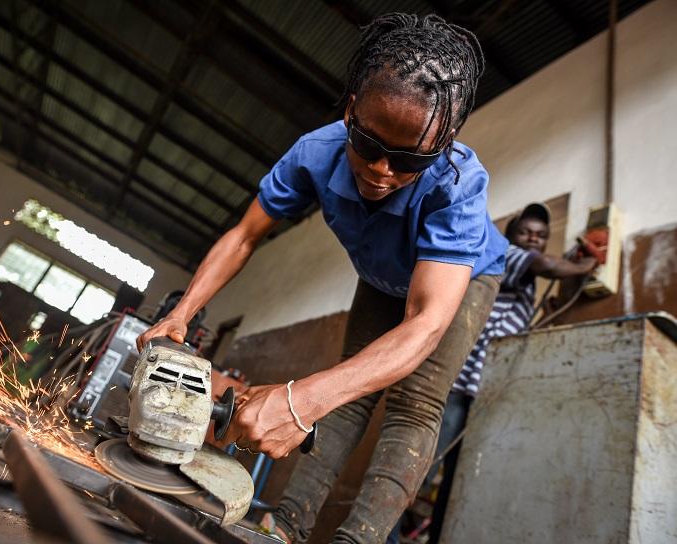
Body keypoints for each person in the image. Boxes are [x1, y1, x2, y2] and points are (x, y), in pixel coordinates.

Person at [138, 14, 507, 543]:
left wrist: (298, 401)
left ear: (444, 141)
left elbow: (426, 324)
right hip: (383, 276)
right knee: (347, 389)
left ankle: (357, 539)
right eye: (370, 145)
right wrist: (180, 314)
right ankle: (284, 527)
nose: (382, 171)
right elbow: (244, 235)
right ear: (352, 111)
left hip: (457, 284)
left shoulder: (459, 186)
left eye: (408, 160)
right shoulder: (316, 151)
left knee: (415, 403)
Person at [386, 202, 598, 544]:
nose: (533, 239)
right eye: (526, 231)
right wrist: (588, 263)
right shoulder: (507, 254)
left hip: (477, 393)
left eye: (541, 235)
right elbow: (545, 264)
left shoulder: (525, 283)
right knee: (420, 468)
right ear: (512, 233)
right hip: (455, 387)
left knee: (453, 483)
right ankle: (385, 537)